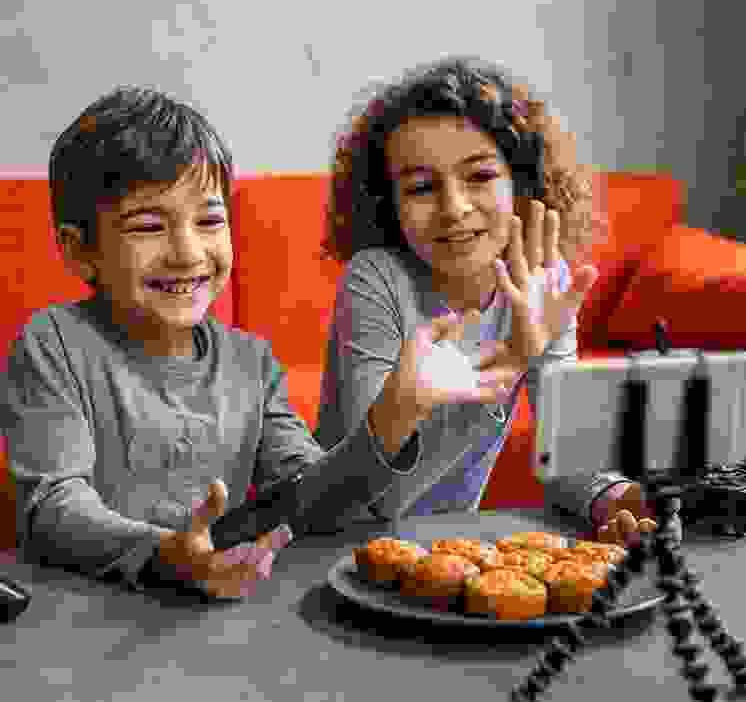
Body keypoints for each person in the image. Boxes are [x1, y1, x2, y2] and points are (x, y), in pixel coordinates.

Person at [0, 85, 532, 601]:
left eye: (210, 221)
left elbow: (313, 498)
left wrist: (396, 412)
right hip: (81, 615)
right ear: (79, 251)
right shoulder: (53, 345)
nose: (188, 252)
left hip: (211, 611)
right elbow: (53, 507)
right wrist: (165, 554)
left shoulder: (251, 364)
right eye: (148, 227)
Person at [316, 56, 661, 544]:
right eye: (421, 187)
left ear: (520, 184)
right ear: (388, 204)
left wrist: (623, 499)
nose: (454, 208)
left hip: (444, 547)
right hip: (333, 544)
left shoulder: (544, 282)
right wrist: (513, 360)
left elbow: (565, 456)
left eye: (479, 177)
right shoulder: (377, 279)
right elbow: (379, 498)